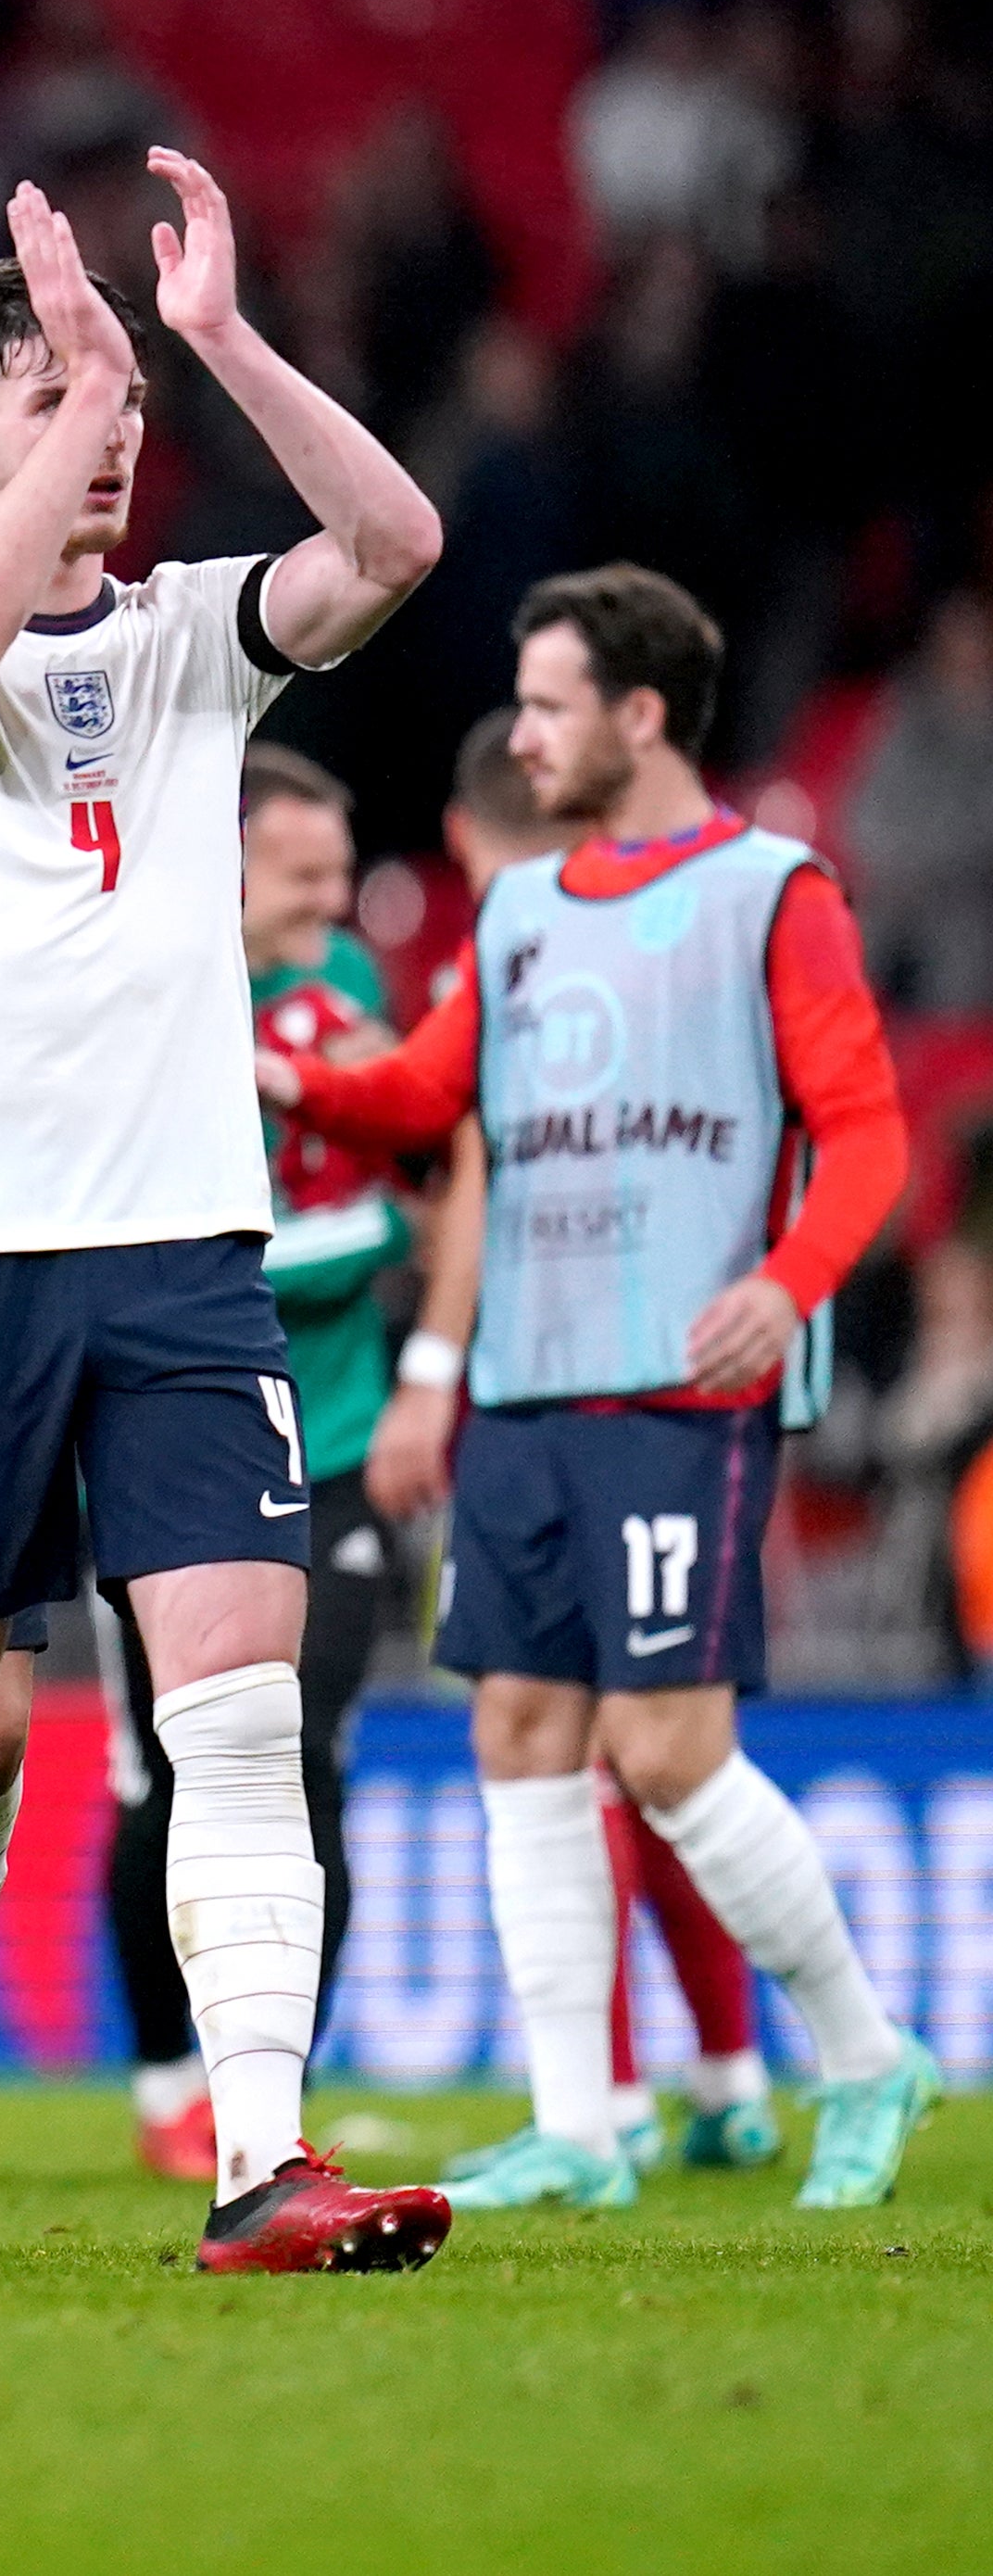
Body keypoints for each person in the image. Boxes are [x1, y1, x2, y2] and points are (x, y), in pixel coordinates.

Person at [0, 157, 451, 2278]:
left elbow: (397, 541)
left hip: (182, 1253)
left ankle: (262, 2155)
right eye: (58, 413)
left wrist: (214, 344)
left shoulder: (192, 645)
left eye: (125, 430)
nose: (108, 457)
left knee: (237, 1714)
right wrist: (92, 377)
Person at [263, 563, 938, 2209]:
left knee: (663, 1750)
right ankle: (578, 2127)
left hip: (672, 1378)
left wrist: (782, 1290)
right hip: (525, 1381)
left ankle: (863, 2057)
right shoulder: (516, 910)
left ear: (639, 717)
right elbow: (429, 1092)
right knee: (516, 1726)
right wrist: (272, 1065)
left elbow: (860, 1132)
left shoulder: (772, 892)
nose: (528, 732)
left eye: (553, 704)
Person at [94, 744, 400, 2184]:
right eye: (305, 875)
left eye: (340, 875)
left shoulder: (347, 999)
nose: (334, 905)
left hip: (329, 1429)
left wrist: (432, 1371)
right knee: (153, 1772)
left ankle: (266, 2092)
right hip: (161, 1430)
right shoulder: (149, 996)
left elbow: (406, 1187)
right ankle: (169, 2076)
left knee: (292, 1746)